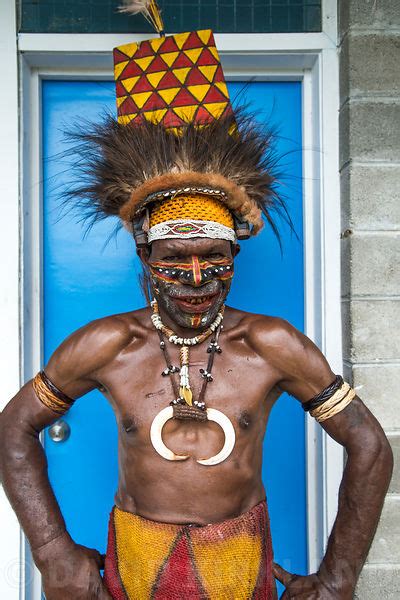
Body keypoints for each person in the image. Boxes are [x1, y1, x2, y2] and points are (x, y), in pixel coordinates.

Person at [0, 3, 393, 599]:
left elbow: (369, 445)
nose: (196, 275)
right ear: (143, 256)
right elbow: (15, 427)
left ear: (234, 255)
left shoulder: (272, 344)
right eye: (174, 260)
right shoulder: (108, 344)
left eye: (215, 258)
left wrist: (338, 580)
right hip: (131, 567)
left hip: (241, 566)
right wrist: (53, 551)